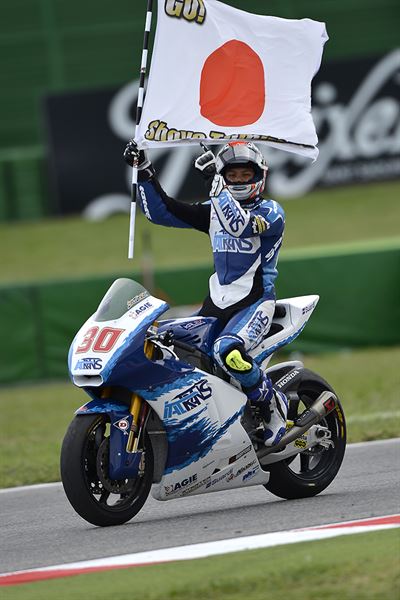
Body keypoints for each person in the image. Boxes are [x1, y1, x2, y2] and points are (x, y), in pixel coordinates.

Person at [124, 139, 288, 446]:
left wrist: (216, 183)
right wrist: (143, 170)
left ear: (259, 176)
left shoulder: (271, 212)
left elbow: (239, 226)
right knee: (163, 340)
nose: (238, 180)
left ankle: (272, 408)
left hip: (255, 303)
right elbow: (161, 212)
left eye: (245, 174)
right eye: (231, 175)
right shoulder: (215, 210)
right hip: (216, 302)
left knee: (229, 352)